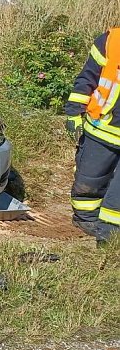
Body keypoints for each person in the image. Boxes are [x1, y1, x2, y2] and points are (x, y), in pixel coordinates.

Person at [65, 27, 120, 244]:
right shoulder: (111, 40)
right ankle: (85, 218)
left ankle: (109, 235)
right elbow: (88, 76)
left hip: (103, 126)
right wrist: (74, 111)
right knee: (90, 178)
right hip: (102, 127)